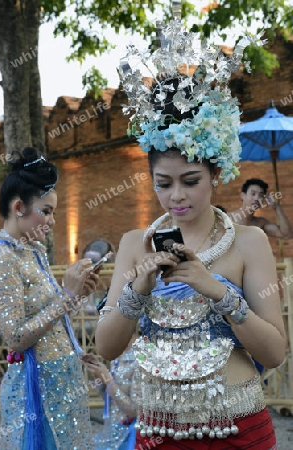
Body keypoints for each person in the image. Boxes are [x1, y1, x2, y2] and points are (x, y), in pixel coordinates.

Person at [95, 18, 286, 450]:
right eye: (163, 183)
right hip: (159, 432)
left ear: (216, 173)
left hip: (237, 428)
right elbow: (107, 347)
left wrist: (217, 292)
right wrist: (136, 290)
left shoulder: (248, 241)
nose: (176, 196)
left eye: (190, 180)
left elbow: (275, 353)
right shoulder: (133, 244)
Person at [0, 147, 99, 450]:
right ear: (18, 207)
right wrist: (66, 296)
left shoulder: (32, 251)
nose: (52, 222)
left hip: (60, 379)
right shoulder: (2, 258)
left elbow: (49, 317)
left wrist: (77, 293)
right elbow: (14, 339)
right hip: (36, 390)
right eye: (47, 211)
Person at [81, 333, 138, 450]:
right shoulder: (118, 356)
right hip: (111, 432)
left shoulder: (139, 359)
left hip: (128, 436)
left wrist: (107, 379)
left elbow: (134, 410)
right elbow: (110, 399)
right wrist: (99, 374)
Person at [229, 178, 293, 239]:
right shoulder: (226, 218)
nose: (257, 198)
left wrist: (277, 207)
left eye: (261, 195)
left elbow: (287, 234)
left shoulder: (260, 223)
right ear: (242, 195)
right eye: (253, 194)